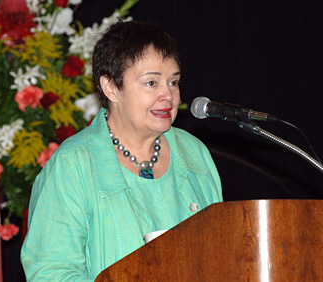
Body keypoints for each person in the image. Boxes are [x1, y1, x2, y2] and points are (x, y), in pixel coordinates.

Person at [21, 20, 223, 281]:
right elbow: (50, 273)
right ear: (111, 87)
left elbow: (223, 254)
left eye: (173, 83)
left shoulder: (193, 153)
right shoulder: (74, 165)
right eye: (152, 83)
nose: (168, 96)